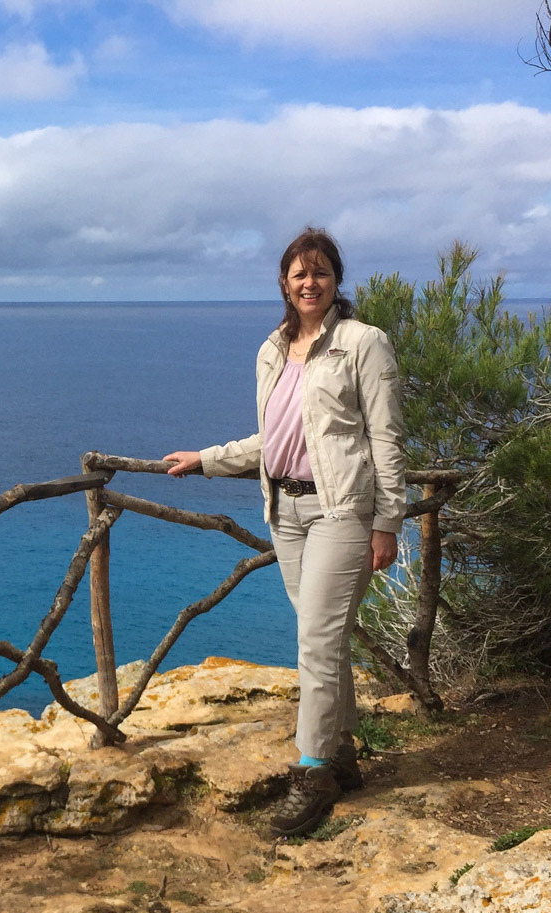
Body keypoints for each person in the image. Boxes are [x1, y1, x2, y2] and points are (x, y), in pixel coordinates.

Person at [163, 228, 405, 836]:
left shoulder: (362, 345)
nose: (309, 283)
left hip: (341, 511)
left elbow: (387, 440)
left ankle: (313, 772)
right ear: (284, 281)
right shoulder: (273, 349)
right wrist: (209, 457)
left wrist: (387, 522)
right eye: (299, 274)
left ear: (336, 281)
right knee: (322, 638)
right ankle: (344, 754)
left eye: (320, 272)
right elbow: (273, 439)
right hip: (286, 514)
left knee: (317, 645)